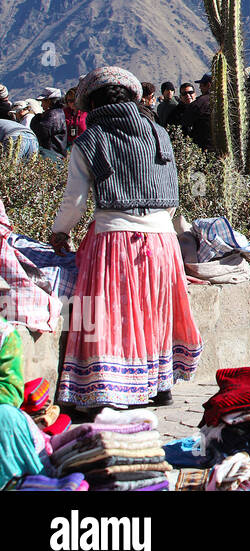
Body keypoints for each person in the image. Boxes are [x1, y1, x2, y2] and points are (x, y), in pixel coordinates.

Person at [50, 66, 203, 408]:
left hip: (113, 241)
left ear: (91, 103)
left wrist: (60, 233)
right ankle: (160, 385)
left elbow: (74, 202)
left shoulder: (90, 141)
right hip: (163, 242)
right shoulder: (158, 134)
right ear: (134, 98)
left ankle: (105, 390)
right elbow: (173, 193)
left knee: (108, 315)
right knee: (154, 311)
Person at [31, 88, 67, 160]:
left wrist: (36, 118)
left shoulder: (53, 115)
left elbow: (41, 131)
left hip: (52, 155)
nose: (41, 105)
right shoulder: (57, 113)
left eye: (43, 102)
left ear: (49, 101)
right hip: (55, 155)